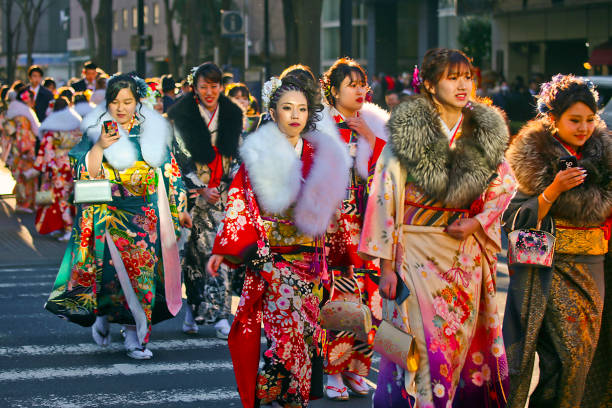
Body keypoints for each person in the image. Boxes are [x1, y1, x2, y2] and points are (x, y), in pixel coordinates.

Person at [359, 48, 515, 407]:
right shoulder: (408, 131)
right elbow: (384, 193)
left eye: (467, 77)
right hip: (414, 250)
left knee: (455, 348)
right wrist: (385, 266)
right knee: (428, 351)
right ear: (429, 84)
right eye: (452, 77)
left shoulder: (481, 129)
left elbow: (505, 184)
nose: (463, 85)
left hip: (464, 255)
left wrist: (477, 220)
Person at [207, 74, 351, 408]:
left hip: (312, 263)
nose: (295, 115)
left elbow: (334, 210)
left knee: (305, 337)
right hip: (272, 261)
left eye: (301, 108)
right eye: (287, 108)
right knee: (287, 336)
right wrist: (227, 249)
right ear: (273, 112)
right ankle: (285, 397)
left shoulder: (321, 152)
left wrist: (341, 255)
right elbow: (239, 203)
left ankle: (277, 390)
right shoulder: (258, 154)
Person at [45, 73, 191, 360]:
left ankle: (135, 335)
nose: (121, 108)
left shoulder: (152, 131)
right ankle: (103, 316)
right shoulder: (97, 129)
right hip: (108, 214)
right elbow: (84, 172)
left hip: (144, 214)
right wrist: (99, 146)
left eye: (128, 101)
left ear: (138, 102)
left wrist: (180, 206)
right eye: (114, 102)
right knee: (108, 274)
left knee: (141, 275)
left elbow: (170, 171)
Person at [502, 74, 611, 408]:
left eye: (590, 120)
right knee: (563, 357)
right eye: (574, 120)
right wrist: (554, 190)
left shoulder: (605, 157)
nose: (583, 128)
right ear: (553, 120)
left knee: (580, 361)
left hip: (593, 268)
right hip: (545, 268)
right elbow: (513, 217)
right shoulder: (533, 155)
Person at [319, 57, 389, 400]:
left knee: (372, 299)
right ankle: (333, 371)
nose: (361, 90)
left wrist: (371, 138)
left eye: (363, 84)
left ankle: (358, 368)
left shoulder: (376, 124)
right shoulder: (321, 126)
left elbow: (392, 174)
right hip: (336, 225)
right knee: (344, 297)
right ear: (334, 91)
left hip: (370, 224)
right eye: (352, 84)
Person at [167, 62, 243, 338]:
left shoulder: (232, 114)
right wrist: (199, 188)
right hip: (191, 197)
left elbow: (237, 154)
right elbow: (178, 157)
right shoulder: (183, 115)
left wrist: (227, 183)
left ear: (221, 87)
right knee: (194, 257)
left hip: (223, 193)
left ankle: (220, 314)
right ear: (194, 88)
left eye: (214, 86)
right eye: (203, 86)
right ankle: (194, 309)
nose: (209, 92)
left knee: (219, 252)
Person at [33, 97, 82, 241]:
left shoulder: (52, 128)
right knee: (74, 198)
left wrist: (46, 168)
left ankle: (68, 228)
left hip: (59, 169)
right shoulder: (76, 125)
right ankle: (66, 227)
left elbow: (47, 151)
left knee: (62, 199)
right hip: (75, 166)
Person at [3, 84, 40, 213]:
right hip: (23, 148)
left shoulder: (15, 112)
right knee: (25, 177)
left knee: (22, 176)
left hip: (16, 148)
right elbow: (23, 135)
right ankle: (24, 204)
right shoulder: (24, 115)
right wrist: (27, 150)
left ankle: (24, 203)